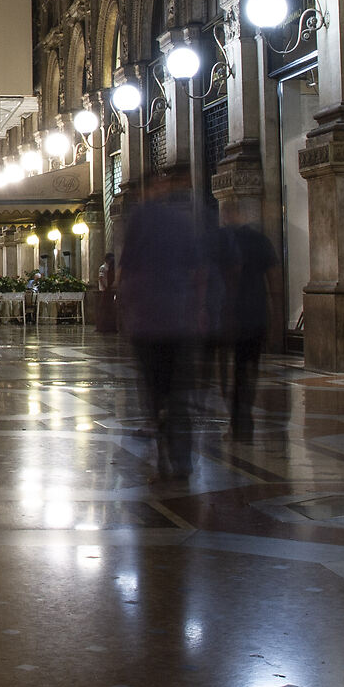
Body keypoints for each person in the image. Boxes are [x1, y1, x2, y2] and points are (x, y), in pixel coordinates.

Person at [117, 171, 204, 480]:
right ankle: (181, 457)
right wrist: (197, 310)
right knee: (178, 389)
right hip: (177, 319)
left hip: (147, 321)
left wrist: (124, 310)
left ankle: (159, 425)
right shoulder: (182, 221)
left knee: (153, 385)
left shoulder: (140, 220)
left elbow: (126, 270)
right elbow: (197, 271)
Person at [205, 208, 281, 440]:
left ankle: (236, 421)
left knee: (227, 371)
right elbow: (274, 280)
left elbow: (206, 276)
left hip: (229, 315)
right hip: (255, 314)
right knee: (247, 370)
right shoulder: (261, 241)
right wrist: (275, 317)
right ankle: (243, 419)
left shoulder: (220, 240)